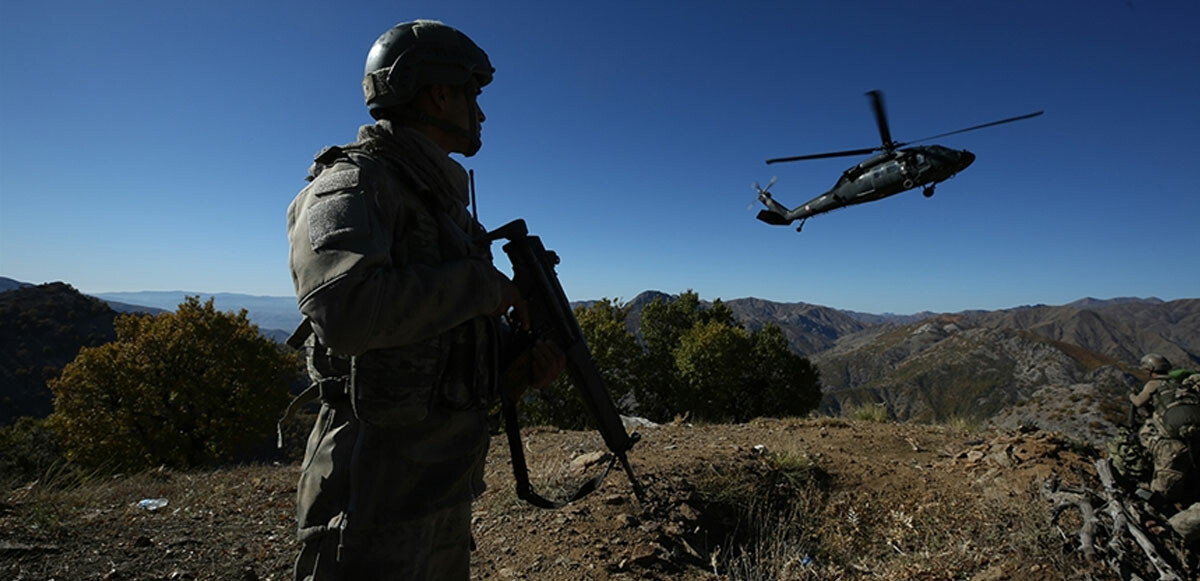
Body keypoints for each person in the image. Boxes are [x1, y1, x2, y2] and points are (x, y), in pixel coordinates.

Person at [285, 20, 563, 580]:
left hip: (437, 484)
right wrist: (483, 287)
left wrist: (516, 363)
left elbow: (438, 337)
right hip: (368, 497)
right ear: (439, 92)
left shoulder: (442, 205)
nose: (480, 114)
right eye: (472, 96)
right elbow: (347, 312)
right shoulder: (352, 185)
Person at [1130, 353, 1198, 505]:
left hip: (1171, 440)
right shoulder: (1179, 382)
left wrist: (1131, 396)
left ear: (1150, 370)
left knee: (1145, 436)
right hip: (1193, 433)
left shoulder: (1154, 384)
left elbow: (1139, 402)